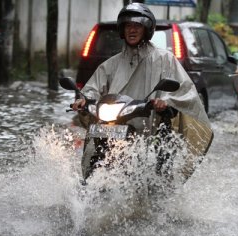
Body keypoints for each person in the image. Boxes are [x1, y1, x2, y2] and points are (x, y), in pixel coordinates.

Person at [72, 3, 213, 178]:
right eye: (128, 26)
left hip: (152, 126)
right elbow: (93, 88)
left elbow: (184, 91)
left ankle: (159, 193)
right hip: (115, 125)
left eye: (137, 25)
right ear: (122, 30)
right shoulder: (111, 64)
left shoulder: (164, 59)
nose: (132, 30)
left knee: (160, 159)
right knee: (95, 153)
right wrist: (84, 100)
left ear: (146, 29)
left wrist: (166, 101)